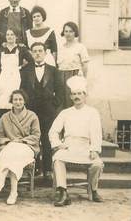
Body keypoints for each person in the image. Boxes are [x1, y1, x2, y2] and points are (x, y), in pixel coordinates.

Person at [49, 76, 104, 206]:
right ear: (71, 97)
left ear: (85, 96)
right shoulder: (65, 112)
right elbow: (53, 131)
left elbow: (97, 133)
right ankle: (62, 191)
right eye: (74, 94)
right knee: (58, 159)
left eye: (79, 93)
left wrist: (94, 149)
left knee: (97, 163)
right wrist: (57, 144)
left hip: (85, 146)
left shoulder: (92, 112)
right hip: (68, 146)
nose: (76, 96)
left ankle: (93, 189)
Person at [20, 42, 64, 177]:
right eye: (35, 51)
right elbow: (22, 90)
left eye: (40, 51)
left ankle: (47, 170)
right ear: (31, 54)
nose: (38, 53)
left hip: (48, 112)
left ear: (45, 53)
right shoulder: (25, 70)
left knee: (46, 139)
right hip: (31, 111)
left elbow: (60, 91)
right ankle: (34, 169)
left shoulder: (53, 70)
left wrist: (53, 105)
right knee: (32, 139)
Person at [0, 89, 40, 205]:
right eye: (15, 100)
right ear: (11, 101)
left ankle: (2, 179)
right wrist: (9, 141)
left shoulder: (32, 116)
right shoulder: (5, 117)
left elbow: (36, 135)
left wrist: (21, 141)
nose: (18, 102)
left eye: (20, 99)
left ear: (24, 101)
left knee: (14, 152)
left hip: (27, 146)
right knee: (13, 153)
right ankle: (14, 192)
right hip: (9, 146)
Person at [0, 29, 33, 129]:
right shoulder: (0, 50)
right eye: (8, 35)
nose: (10, 36)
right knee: (2, 102)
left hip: (16, 79)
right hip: (3, 78)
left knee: (14, 101)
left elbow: (31, 62)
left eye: (12, 34)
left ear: (16, 37)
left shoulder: (21, 49)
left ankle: (15, 128)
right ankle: (2, 128)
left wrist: (22, 68)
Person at [57, 22, 89, 108]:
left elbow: (85, 65)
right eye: (66, 31)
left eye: (71, 31)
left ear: (75, 33)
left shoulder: (80, 47)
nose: (68, 34)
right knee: (61, 102)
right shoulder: (60, 48)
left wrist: (83, 81)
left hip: (74, 75)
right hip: (61, 76)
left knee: (74, 101)